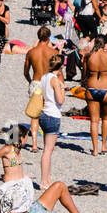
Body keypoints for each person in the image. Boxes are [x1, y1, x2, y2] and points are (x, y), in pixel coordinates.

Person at [83, 36, 107, 156]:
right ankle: (103, 145)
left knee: (94, 121)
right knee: (106, 118)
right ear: (105, 44)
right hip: (105, 88)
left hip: (92, 88)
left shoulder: (89, 56)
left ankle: (95, 149)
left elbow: (84, 73)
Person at [23, 26, 54, 151]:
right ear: (48, 38)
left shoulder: (31, 52)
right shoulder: (53, 53)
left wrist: (30, 81)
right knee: (48, 114)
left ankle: (34, 144)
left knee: (35, 115)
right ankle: (48, 144)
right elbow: (58, 72)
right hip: (48, 83)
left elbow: (25, 71)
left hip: (36, 82)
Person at [37, 53, 66, 187]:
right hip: (53, 114)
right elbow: (60, 100)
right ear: (60, 67)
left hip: (43, 112)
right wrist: (63, 89)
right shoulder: (54, 80)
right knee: (48, 151)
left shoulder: (44, 77)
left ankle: (47, 179)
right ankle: (44, 181)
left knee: (46, 149)